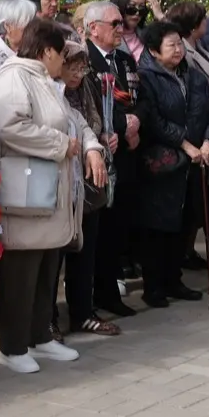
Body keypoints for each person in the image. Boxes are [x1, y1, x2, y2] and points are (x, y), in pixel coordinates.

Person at [0, 21, 100, 373]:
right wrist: (61, 144)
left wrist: (89, 146)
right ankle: (12, 347)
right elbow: (9, 126)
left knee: (46, 271)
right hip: (28, 193)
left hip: (51, 193)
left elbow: (73, 119)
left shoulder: (44, 80)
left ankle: (39, 336)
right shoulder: (14, 77)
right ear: (46, 51)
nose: (64, 61)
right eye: (61, 53)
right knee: (21, 275)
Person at [132, 20, 209, 307]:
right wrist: (185, 144)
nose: (179, 49)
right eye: (171, 45)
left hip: (194, 160)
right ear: (154, 51)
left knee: (185, 221)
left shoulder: (194, 76)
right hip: (163, 162)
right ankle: (154, 286)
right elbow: (153, 120)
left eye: (180, 43)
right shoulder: (146, 78)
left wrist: (208, 142)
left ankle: (174, 279)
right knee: (158, 225)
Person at [80, 0, 141, 318]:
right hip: (99, 154)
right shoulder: (84, 60)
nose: (121, 28)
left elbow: (140, 97)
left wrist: (136, 122)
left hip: (126, 152)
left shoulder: (124, 59)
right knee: (99, 232)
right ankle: (92, 295)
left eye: (121, 23)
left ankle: (110, 292)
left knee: (118, 227)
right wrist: (119, 125)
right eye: (114, 23)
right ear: (94, 28)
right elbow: (85, 104)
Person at [60, 37, 120, 336]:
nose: (77, 74)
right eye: (71, 67)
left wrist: (100, 141)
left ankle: (83, 312)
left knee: (85, 250)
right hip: (61, 181)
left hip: (89, 182)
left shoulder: (87, 89)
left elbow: (92, 123)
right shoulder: (50, 92)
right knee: (56, 252)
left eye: (82, 68)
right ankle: (47, 320)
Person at [168, 2, 209, 268]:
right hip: (197, 128)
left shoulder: (200, 47)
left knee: (202, 194)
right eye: (203, 18)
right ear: (193, 25)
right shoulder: (185, 53)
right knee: (194, 198)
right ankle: (182, 251)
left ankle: (188, 249)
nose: (208, 22)